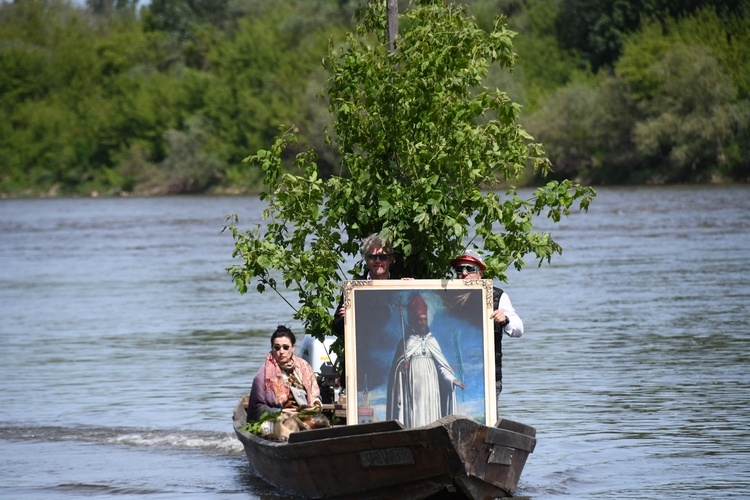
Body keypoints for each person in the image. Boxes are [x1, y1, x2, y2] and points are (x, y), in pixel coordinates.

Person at [386, 293, 465, 428]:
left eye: (425, 319)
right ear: (412, 320)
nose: (422, 323)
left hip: (431, 386)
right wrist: (402, 368)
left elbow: (442, 366)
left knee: (430, 413)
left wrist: (451, 379)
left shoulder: (431, 340)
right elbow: (396, 370)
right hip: (413, 386)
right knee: (415, 413)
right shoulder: (406, 342)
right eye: (419, 319)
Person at [450, 249, 523, 394]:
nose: (464, 273)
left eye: (470, 269)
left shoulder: (497, 296)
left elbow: (519, 330)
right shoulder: (445, 294)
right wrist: (410, 287)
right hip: (454, 377)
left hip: (488, 377)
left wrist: (505, 320)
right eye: (460, 269)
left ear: (480, 273)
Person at [248, 325, 323, 422]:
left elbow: (315, 395)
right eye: (277, 348)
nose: (281, 352)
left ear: (293, 347)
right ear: (272, 348)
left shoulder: (304, 367)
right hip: (278, 420)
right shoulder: (262, 374)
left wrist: (316, 404)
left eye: (286, 347)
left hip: (306, 416)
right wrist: (280, 412)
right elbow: (255, 409)